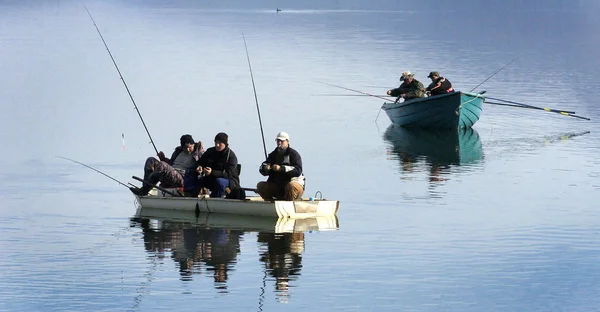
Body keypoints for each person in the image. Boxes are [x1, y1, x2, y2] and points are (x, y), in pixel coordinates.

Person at [130, 134, 203, 196]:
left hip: (184, 178)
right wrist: (163, 158)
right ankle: (146, 187)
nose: (187, 149)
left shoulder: (198, 154)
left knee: (162, 165)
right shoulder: (178, 152)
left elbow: (203, 165)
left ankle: (143, 191)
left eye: (189, 147)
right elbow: (171, 164)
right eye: (185, 147)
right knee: (150, 160)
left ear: (193, 144)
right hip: (172, 173)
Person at [256, 132, 305, 201]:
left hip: (294, 185)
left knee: (291, 186)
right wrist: (265, 168)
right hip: (278, 186)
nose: (279, 143)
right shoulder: (272, 155)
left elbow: (298, 170)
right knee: (260, 186)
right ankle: (269, 203)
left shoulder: (294, 154)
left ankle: (290, 204)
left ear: (287, 141)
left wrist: (281, 168)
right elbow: (262, 167)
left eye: (282, 141)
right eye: (278, 141)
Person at [192, 132, 240, 198]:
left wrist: (212, 172)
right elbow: (200, 162)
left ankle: (215, 199)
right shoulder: (210, 151)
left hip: (229, 181)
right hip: (212, 178)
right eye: (216, 142)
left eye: (220, 143)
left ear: (225, 144)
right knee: (191, 172)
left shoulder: (231, 157)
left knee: (219, 181)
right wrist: (199, 167)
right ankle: (191, 196)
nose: (217, 145)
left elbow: (227, 174)